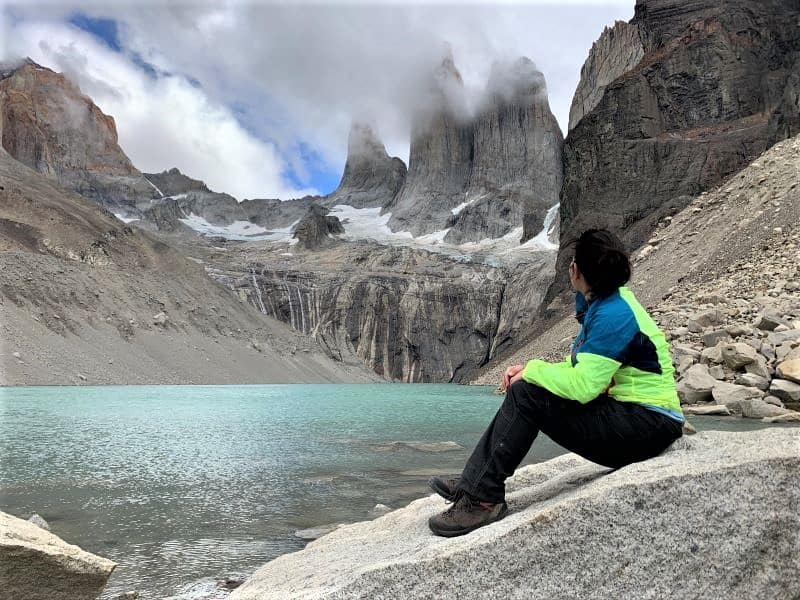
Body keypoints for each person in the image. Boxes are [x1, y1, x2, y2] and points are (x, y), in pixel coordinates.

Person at [428, 228, 684, 537]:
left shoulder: (614, 314)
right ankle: (476, 479)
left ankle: (482, 499)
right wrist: (531, 369)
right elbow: (585, 366)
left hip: (647, 426)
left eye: (572, 261)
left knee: (527, 394)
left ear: (575, 269)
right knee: (529, 388)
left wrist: (533, 372)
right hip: (639, 418)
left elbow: (584, 386)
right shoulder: (608, 303)